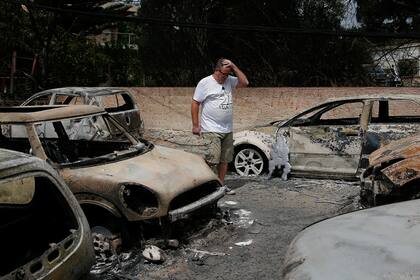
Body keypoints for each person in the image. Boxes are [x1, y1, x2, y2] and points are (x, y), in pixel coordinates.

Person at [191, 58, 249, 195]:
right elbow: (195, 103)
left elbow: (245, 82)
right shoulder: (205, 83)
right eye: (222, 74)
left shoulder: (229, 80)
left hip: (227, 129)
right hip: (210, 129)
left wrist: (234, 66)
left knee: (224, 160)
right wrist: (195, 125)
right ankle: (208, 188)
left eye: (227, 75)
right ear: (216, 70)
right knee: (212, 159)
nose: (224, 77)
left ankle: (220, 186)